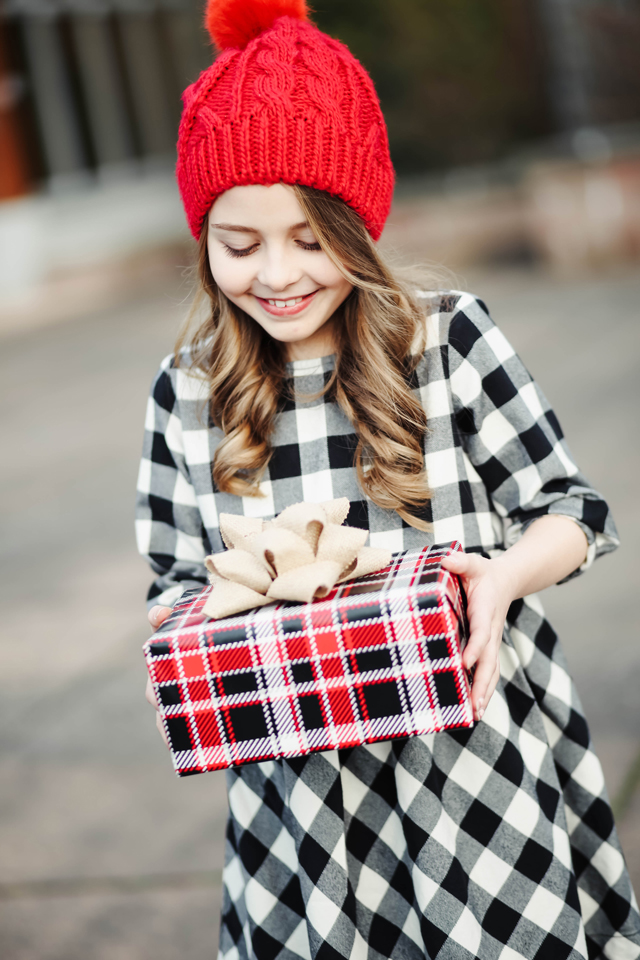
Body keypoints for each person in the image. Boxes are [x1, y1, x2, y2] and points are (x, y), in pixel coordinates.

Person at [136, 0, 640, 957]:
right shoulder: (188, 391)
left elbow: (574, 512)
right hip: (305, 792)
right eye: (238, 244)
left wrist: (498, 577)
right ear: (204, 240)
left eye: (309, 236)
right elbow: (173, 580)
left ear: (358, 227)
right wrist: (188, 620)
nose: (276, 274)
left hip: (476, 761)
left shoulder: (447, 340)